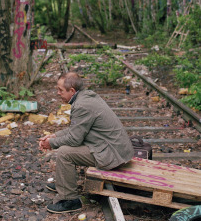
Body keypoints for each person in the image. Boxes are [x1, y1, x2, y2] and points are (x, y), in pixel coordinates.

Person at [39, 72, 134, 213]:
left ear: (72, 91)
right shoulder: (86, 96)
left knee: (65, 153)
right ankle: (63, 184)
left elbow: (74, 139)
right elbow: (77, 129)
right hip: (111, 147)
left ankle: (70, 200)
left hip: (112, 154)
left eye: (60, 90)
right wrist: (54, 135)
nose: (57, 93)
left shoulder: (81, 106)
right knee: (65, 147)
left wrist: (51, 143)